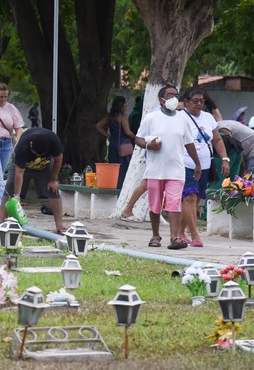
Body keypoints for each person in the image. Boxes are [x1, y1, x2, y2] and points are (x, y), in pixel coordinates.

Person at [134, 85, 199, 250]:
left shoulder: (183, 119)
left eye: (176, 95)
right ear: (161, 100)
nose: (173, 98)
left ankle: (174, 237)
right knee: (155, 204)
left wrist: (197, 163)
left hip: (176, 170)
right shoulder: (151, 118)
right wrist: (149, 145)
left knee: (174, 203)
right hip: (155, 170)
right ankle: (155, 235)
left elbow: (189, 143)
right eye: (170, 95)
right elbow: (138, 139)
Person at [179, 88, 229, 247]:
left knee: (196, 200)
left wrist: (225, 159)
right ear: (186, 102)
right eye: (195, 101)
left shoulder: (208, 118)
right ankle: (195, 236)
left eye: (202, 101)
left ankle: (180, 233)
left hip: (206, 164)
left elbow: (217, 140)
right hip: (186, 164)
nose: (199, 104)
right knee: (189, 198)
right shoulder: (180, 117)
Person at [2, 128, 66, 233]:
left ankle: (60, 227)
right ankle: (1, 223)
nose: (37, 156)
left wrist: (53, 180)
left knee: (53, 191)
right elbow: (19, 172)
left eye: (39, 155)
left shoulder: (53, 141)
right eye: (35, 153)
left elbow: (58, 160)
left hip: (45, 166)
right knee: (9, 189)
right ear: (31, 144)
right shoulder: (22, 146)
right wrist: (17, 195)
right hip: (24, 167)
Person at [95, 95, 135, 189]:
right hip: (123, 144)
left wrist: (107, 135)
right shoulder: (123, 117)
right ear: (123, 105)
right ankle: (122, 188)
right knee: (123, 168)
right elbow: (128, 132)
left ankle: (113, 186)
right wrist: (136, 137)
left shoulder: (110, 117)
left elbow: (98, 126)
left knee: (113, 167)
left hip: (113, 143)